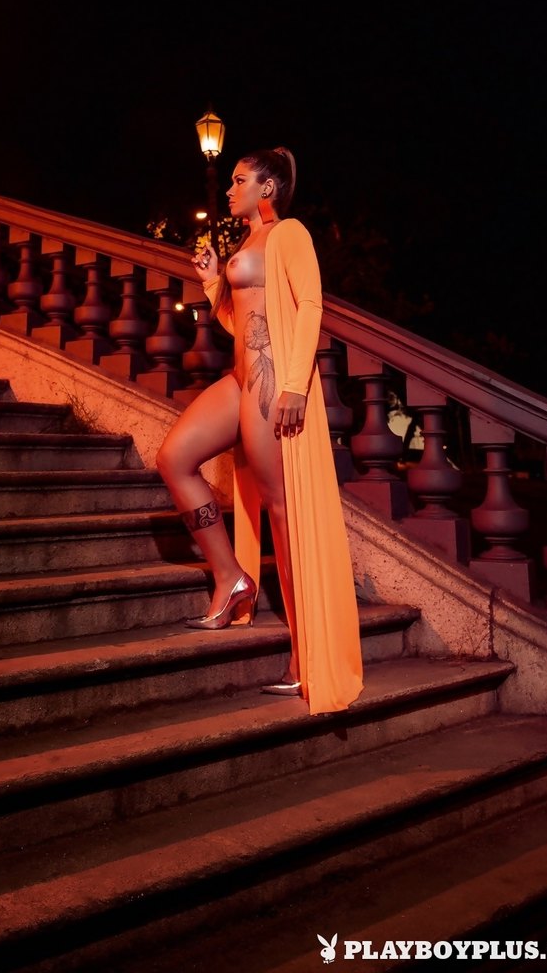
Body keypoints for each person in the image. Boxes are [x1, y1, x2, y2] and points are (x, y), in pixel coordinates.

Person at [156, 147, 363, 715]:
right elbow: (241, 323)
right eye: (230, 181)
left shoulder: (289, 234)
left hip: (273, 381)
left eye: (240, 180)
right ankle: (230, 576)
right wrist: (211, 285)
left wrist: (295, 385)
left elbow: (310, 304)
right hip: (240, 377)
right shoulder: (247, 244)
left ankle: (305, 655)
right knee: (174, 459)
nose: (230, 189)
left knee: (280, 511)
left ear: (267, 188)